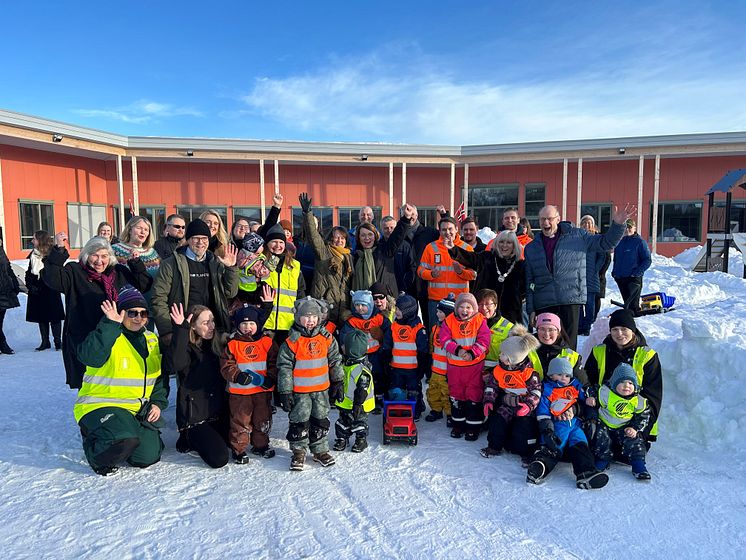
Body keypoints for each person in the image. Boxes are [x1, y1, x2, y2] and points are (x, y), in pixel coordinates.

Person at [74, 286, 166, 476]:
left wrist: (157, 402)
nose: (138, 318)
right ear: (121, 313)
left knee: (148, 456)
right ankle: (95, 452)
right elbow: (89, 357)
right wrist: (110, 324)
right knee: (124, 439)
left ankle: (123, 438)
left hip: (135, 410)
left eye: (143, 313)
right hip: (99, 405)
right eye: (132, 312)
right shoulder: (108, 334)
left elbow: (158, 377)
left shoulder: (151, 339)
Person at [42, 233, 152, 388]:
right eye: (95, 255)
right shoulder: (74, 271)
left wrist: (136, 263)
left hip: (118, 337)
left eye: (104, 256)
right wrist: (59, 250)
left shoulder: (119, 272)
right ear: (87, 255)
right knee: (89, 383)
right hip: (87, 339)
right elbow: (52, 278)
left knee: (115, 381)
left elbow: (144, 285)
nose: (100, 261)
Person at [524, 204, 633, 349]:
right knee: (546, 345)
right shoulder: (532, 247)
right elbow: (530, 281)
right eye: (542, 219)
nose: (546, 223)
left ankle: (569, 371)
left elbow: (605, 242)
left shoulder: (578, 236)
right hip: (544, 303)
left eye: (549, 219)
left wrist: (618, 225)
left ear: (558, 219)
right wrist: (531, 309)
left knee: (568, 346)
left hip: (570, 299)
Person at [276, 297, 344, 471]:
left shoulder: (327, 338)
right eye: (306, 317)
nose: (310, 320)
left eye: (314, 317)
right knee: (300, 421)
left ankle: (320, 450)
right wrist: (284, 390)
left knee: (320, 420)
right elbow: (284, 367)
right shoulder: (292, 341)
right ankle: (299, 451)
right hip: (300, 392)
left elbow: (335, 360)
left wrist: (337, 380)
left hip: (321, 390)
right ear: (298, 318)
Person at [151, 218, 239, 348]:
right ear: (188, 240)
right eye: (196, 238)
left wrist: (231, 268)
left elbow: (230, 293)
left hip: (211, 330)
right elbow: (158, 298)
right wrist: (167, 330)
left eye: (204, 238)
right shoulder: (171, 264)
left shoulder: (215, 262)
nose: (200, 242)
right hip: (183, 329)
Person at [526, 357, 609, 489]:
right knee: (554, 446)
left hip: (575, 425)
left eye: (567, 375)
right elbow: (543, 413)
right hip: (558, 424)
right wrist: (547, 429)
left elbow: (584, 399)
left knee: (581, 446)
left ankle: (586, 473)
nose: (564, 378)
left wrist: (589, 399)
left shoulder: (575, 386)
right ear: (551, 375)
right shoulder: (547, 389)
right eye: (559, 374)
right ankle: (539, 466)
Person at [585, 308, 662, 443]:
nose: (619, 334)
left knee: (628, 454)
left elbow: (653, 397)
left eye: (624, 329)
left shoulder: (647, 356)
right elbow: (588, 384)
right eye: (615, 329)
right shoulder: (599, 352)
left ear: (632, 330)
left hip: (634, 422)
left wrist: (641, 430)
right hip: (604, 418)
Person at [170, 302, 230, 468]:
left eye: (212, 321)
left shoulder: (216, 344)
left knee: (240, 441)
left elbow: (247, 330)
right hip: (195, 418)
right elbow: (176, 364)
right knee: (219, 459)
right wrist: (181, 329)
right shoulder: (185, 348)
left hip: (217, 413)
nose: (211, 326)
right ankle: (188, 438)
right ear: (193, 327)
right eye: (205, 323)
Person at [221, 302, 279, 463]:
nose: (248, 327)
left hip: (262, 390)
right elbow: (226, 366)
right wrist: (237, 375)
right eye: (244, 324)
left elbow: (275, 363)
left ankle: (260, 445)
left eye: (252, 323)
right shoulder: (232, 344)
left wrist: (271, 378)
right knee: (241, 421)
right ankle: (238, 449)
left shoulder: (267, 342)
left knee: (263, 419)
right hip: (240, 393)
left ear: (258, 324)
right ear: (238, 326)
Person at [480, 325, 541, 459]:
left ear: (512, 359)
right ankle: (494, 446)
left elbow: (536, 392)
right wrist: (488, 401)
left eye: (503, 354)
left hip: (524, 406)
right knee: (497, 421)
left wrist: (528, 405)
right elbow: (492, 386)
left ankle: (527, 453)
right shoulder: (499, 370)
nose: (500, 355)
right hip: (507, 404)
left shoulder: (529, 374)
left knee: (525, 428)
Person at [440, 292, 490, 441]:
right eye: (461, 306)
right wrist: (458, 350)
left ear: (474, 309)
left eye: (468, 307)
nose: (464, 310)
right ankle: (458, 425)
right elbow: (444, 340)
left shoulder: (480, 320)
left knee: (474, 395)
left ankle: (473, 427)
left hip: (474, 366)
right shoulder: (448, 321)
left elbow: (484, 340)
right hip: (455, 366)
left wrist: (472, 353)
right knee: (456, 395)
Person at [589, 363, 652, 480]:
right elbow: (592, 390)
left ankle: (639, 465)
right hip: (605, 424)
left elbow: (644, 415)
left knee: (635, 441)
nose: (626, 386)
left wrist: (635, 427)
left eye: (630, 383)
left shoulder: (637, 400)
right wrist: (592, 398)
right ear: (614, 383)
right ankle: (603, 459)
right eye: (622, 382)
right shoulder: (606, 393)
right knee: (601, 438)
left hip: (625, 426)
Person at [450, 230, 526, 325]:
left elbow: (525, 289)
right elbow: (471, 258)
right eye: (501, 242)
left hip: (511, 314)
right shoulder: (487, 257)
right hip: (484, 311)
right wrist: (454, 249)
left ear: (514, 245)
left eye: (509, 243)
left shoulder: (520, 265)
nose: (504, 245)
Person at [300, 193, 353, 326]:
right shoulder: (323, 252)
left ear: (346, 241)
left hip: (343, 308)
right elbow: (313, 236)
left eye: (342, 238)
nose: (339, 240)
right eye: (336, 237)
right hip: (324, 306)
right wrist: (307, 213)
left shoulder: (349, 257)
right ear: (331, 238)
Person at [418, 216, 476, 331]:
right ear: (439, 231)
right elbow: (420, 271)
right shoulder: (431, 247)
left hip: (458, 301)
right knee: (435, 334)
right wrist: (431, 274)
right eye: (444, 230)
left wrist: (460, 272)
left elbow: (473, 274)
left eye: (450, 229)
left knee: (457, 333)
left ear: (456, 229)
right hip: (436, 300)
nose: (447, 232)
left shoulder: (466, 248)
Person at [340, 290, 392, 412]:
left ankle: (378, 397)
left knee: (378, 375)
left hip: (376, 353)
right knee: (362, 378)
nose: (360, 308)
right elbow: (344, 336)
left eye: (363, 305)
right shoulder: (352, 321)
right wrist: (345, 348)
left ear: (369, 305)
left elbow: (389, 332)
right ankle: (363, 398)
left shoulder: (379, 318)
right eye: (357, 305)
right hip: (360, 356)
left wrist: (384, 340)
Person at [384, 294, 430, 419]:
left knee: (413, 390)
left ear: (408, 311)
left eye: (399, 309)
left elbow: (423, 350)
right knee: (396, 389)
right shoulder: (394, 326)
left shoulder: (418, 329)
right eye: (396, 309)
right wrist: (386, 357)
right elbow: (388, 343)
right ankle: (398, 410)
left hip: (412, 369)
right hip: (396, 367)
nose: (396, 312)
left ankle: (416, 409)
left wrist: (422, 367)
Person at [332, 329, 375, 453]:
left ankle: (361, 439)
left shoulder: (361, 369)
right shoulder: (345, 363)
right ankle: (342, 438)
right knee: (342, 422)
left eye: (345, 345)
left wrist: (358, 404)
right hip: (345, 402)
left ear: (352, 349)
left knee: (359, 423)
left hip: (360, 405)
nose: (342, 347)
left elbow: (363, 389)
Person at [262, 223, 306, 343]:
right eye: (274, 242)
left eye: (281, 242)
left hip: (288, 325)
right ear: (267, 244)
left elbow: (301, 294)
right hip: (266, 323)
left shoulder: (295, 266)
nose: (278, 246)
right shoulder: (260, 263)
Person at [25, 230, 64, 351]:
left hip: (50, 288)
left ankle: (58, 341)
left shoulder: (51, 253)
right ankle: (45, 341)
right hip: (37, 289)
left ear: (40, 240)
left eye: (34, 238)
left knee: (54, 317)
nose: (32, 241)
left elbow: (57, 266)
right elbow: (30, 270)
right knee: (41, 316)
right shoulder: (33, 254)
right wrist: (30, 284)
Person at [112, 216, 161, 311]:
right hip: (122, 306)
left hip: (148, 308)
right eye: (139, 228)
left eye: (146, 230)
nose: (143, 232)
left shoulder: (153, 253)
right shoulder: (114, 250)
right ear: (130, 230)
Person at [612, 219, 652, 315]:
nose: (627, 229)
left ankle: (634, 325)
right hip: (621, 278)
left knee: (633, 306)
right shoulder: (619, 242)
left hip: (633, 279)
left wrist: (636, 273)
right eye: (625, 227)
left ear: (634, 228)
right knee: (627, 304)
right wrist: (615, 273)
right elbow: (616, 259)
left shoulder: (640, 242)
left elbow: (647, 260)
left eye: (629, 227)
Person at [425, 294, 454, 424]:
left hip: (447, 370)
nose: (437, 314)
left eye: (440, 312)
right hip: (435, 368)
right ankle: (436, 410)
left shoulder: (453, 330)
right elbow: (432, 346)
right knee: (433, 390)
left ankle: (449, 413)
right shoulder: (435, 327)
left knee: (446, 393)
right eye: (437, 311)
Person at [578, 215, 609, 335]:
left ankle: (587, 326)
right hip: (578, 277)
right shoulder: (578, 238)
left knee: (590, 304)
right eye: (584, 222)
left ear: (593, 225)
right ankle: (580, 326)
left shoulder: (597, 238)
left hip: (592, 277)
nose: (586, 225)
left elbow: (603, 257)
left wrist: (596, 269)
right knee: (579, 304)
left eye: (589, 222)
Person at [527, 312, 582, 379]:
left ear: (558, 332)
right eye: (542, 329)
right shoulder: (525, 351)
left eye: (551, 330)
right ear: (537, 331)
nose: (546, 334)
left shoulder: (572, 356)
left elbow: (583, 384)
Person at [476, 289, 514, 373]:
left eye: (487, 304)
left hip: (498, 373)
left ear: (495, 306)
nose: (483, 308)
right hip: (474, 370)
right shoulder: (470, 324)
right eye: (480, 304)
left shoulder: (510, 327)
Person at [380, 216, 415, 295]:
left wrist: (405, 286)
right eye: (386, 228)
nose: (389, 230)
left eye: (392, 227)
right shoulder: (378, 246)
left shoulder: (405, 246)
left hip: (401, 289)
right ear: (381, 230)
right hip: (383, 289)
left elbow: (411, 267)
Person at [0, 236, 21, 355]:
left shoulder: (1, 251)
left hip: (4, 289)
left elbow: (8, 267)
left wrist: (15, 283)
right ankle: (3, 344)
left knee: (0, 320)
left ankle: (2, 345)